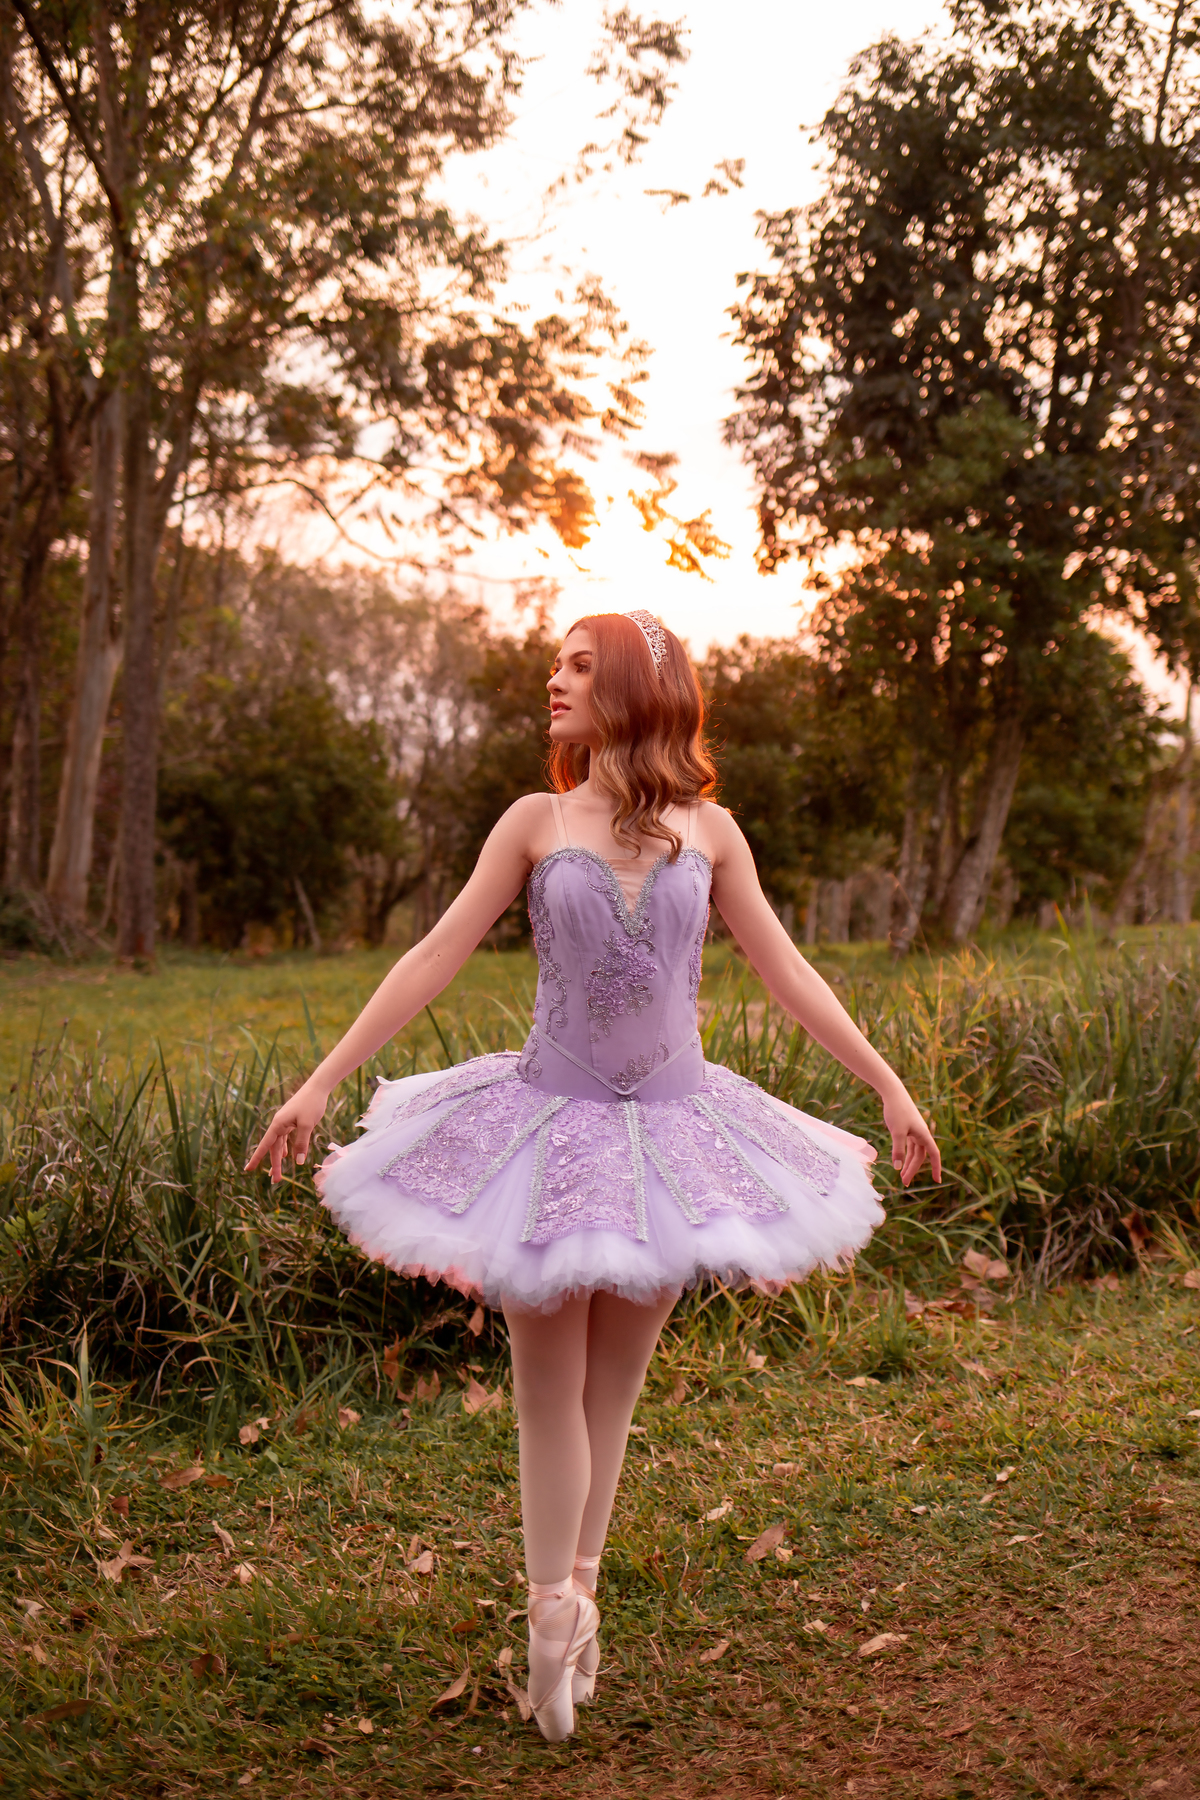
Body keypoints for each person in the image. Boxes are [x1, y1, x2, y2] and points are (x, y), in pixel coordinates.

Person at [246, 609, 941, 1742]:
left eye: (576, 666)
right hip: (547, 1129)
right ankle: (547, 1619)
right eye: (556, 665)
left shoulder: (711, 834)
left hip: (676, 1135)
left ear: (629, 689)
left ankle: (580, 1595)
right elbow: (435, 953)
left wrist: (889, 1084)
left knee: (609, 1395)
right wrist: (321, 1081)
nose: (553, 682)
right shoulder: (534, 821)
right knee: (544, 1392)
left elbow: (788, 970)